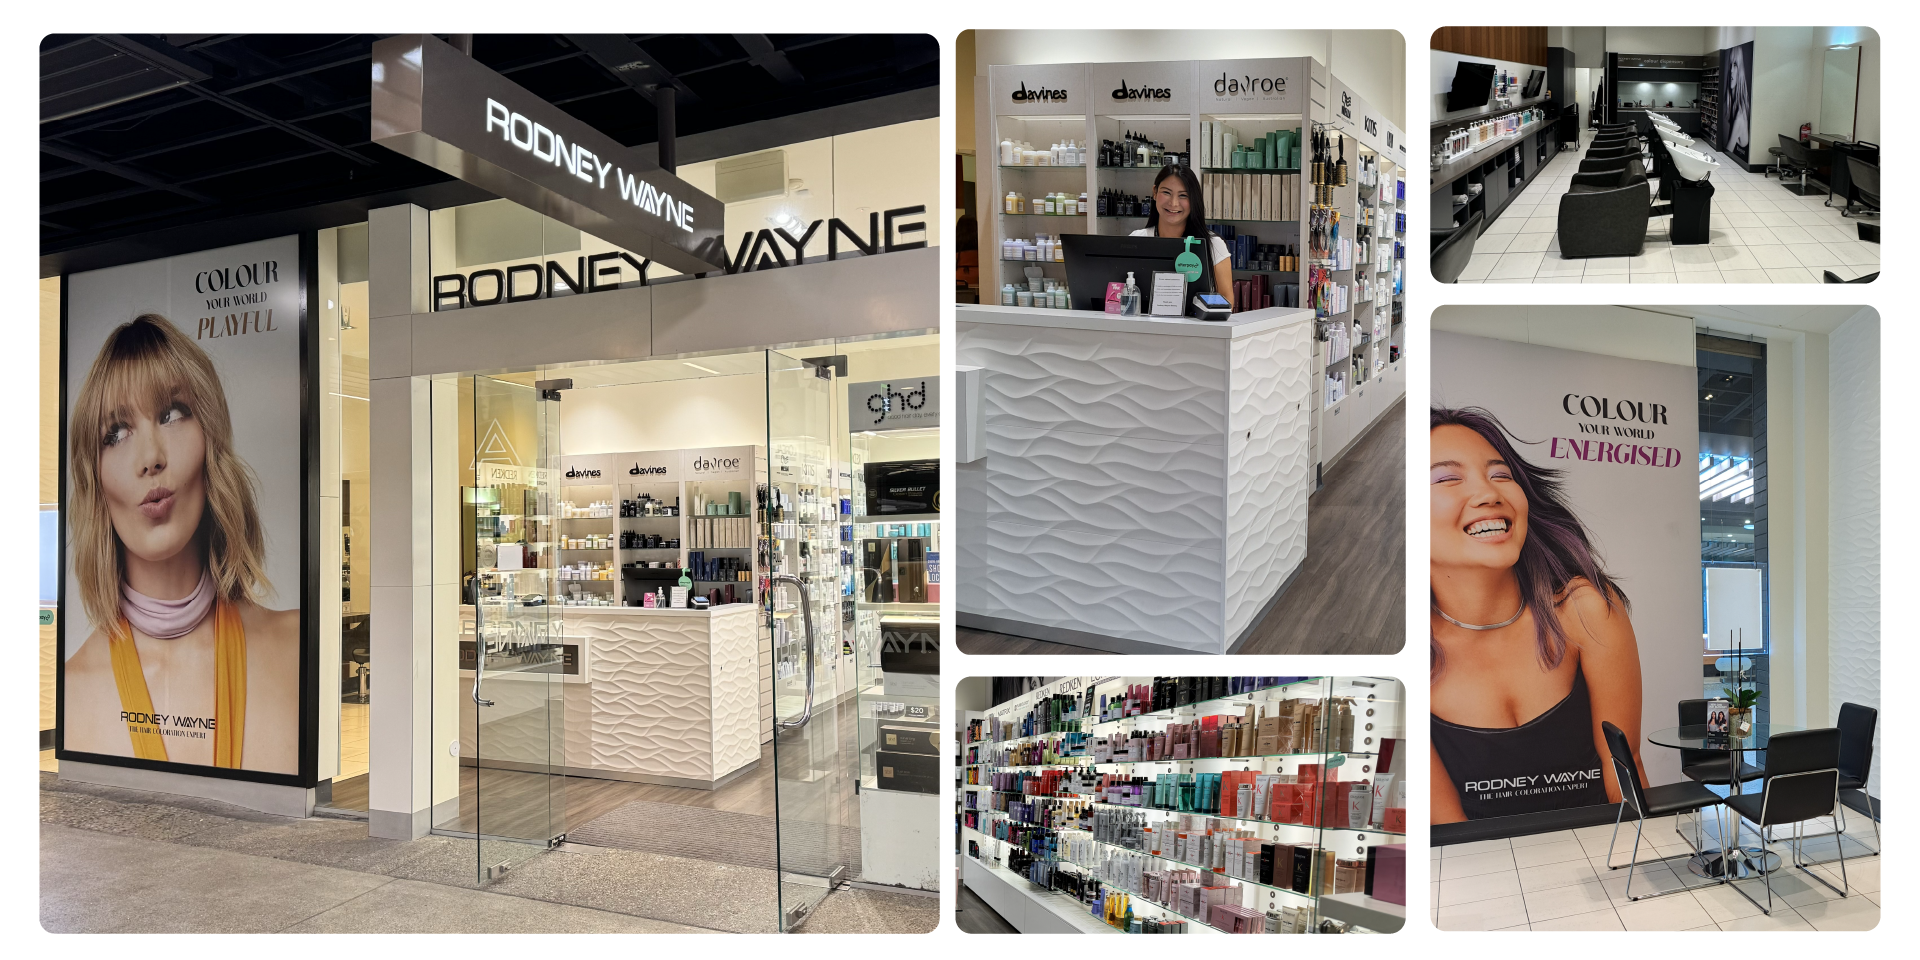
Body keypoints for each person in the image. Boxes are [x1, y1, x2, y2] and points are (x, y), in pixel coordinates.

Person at [63, 314, 298, 773]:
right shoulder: (72, 689)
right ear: (95, 479)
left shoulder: (297, 648)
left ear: (211, 437)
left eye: (171, 414)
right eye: (116, 433)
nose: (151, 458)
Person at [1429, 406, 1646, 823]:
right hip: (1487, 874)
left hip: (1601, 862)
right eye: (1447, 478)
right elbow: (1449, 834)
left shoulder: (1586, 611)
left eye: (1501, 474)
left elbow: (1625, 772)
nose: (1490, 493)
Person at [1131, 164, 1236, 311]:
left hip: (1196, 332)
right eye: (1166, 192)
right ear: (1154, 192)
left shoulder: (1213, 245)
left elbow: (1227, 303)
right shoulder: (1136, 240)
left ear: (1193, 200)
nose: (1173, 203)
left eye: (1183, 195)